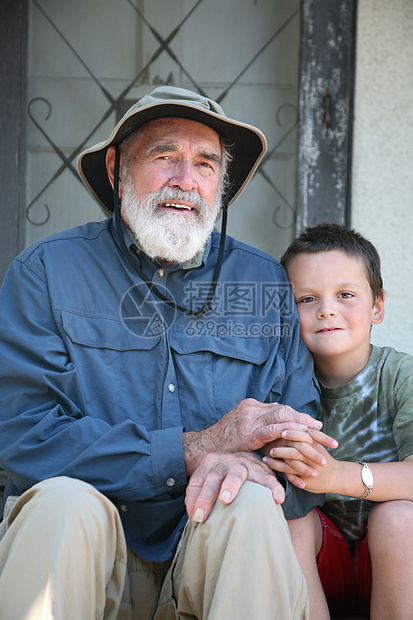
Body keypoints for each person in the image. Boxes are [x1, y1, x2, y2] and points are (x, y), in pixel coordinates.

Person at [0, 87, 335, 620]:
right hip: (85, 548)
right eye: (164, 156)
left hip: (208, 551)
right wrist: (192, 449)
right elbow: (24, 434)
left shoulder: (264, 282)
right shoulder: (45, 272)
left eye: (205, 163)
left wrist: (258, 459)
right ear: (115, 168)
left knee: (248, 504)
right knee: (60, 503)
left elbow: (298, 440)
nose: (186, 178)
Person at [263, 222, 413, 619]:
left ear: (377, 306)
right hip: (322, 560)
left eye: (345, 295)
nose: (327, 309)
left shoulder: (400, 377)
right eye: (307, 298)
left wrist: (337, 476)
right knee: (292, 521)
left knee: (399, 518)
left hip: (398, 562)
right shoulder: (279, 385)